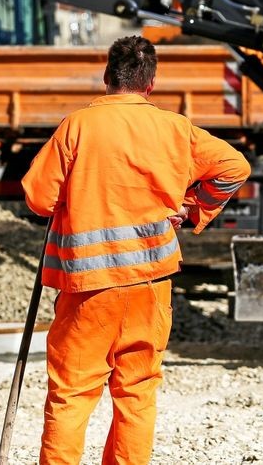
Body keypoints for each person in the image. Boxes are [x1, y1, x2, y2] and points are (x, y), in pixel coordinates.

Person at [22, 36, 251, 464]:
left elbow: (38, 199)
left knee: (72, 394)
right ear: (150, 84)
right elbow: (234, 167)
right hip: (151, 285)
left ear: (107, 78)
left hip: (91, 288)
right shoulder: (175, 128)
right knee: (137, 393)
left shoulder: (78, 126)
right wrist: (194, 207)